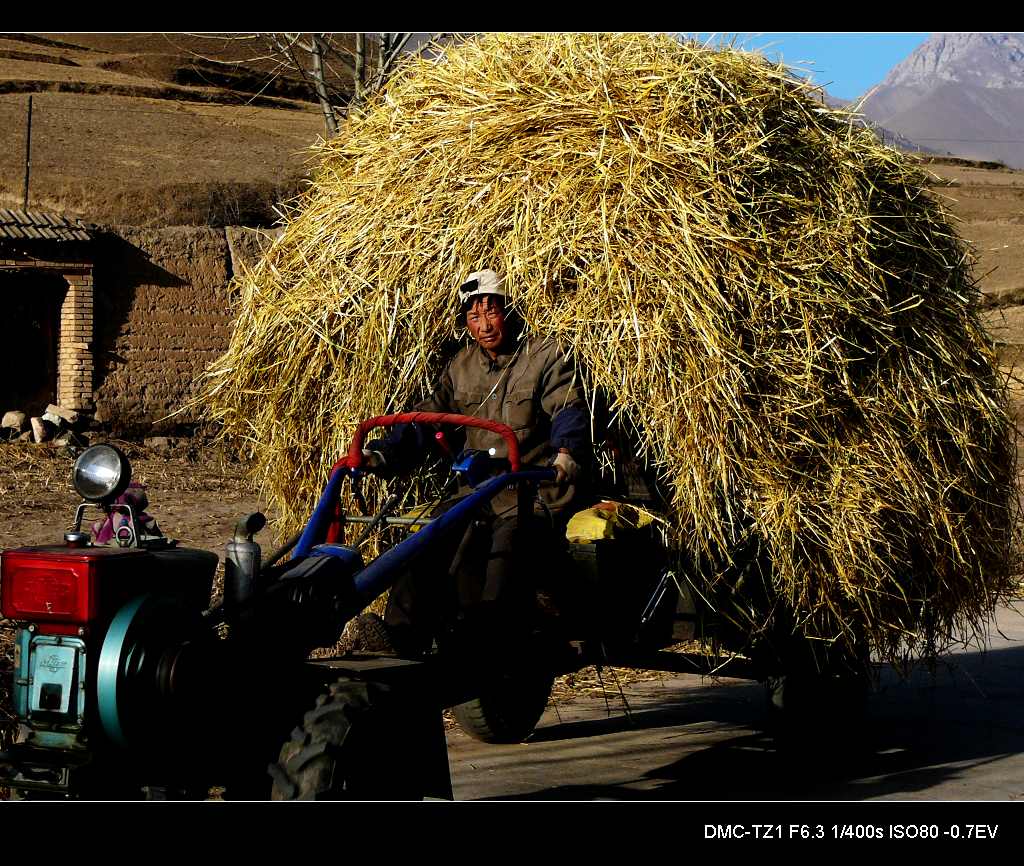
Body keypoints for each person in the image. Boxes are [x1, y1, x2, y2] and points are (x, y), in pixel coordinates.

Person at [345, 268, 591, 656]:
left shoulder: (545, 355)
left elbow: (567, 406)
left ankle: (484, 645)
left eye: (491, 312)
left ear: (510, 311)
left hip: (531, 492)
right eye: (474, 317)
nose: (484, 325)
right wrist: (384, 453)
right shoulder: (461, 366)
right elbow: (430, 418)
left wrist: (567, 452)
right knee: (424, 544)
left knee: (504, 553)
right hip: (476, 492)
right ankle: (396, 644)